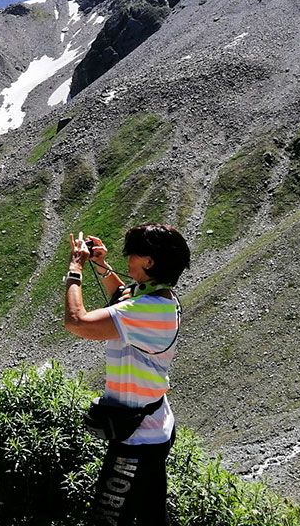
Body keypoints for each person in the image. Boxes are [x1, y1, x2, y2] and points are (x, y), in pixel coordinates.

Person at [64, 224, 191, 526]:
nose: (128, 259)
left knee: (107, 519)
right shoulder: (160, 298)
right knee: (150, 516)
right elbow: (122, 295)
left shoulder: (147, 310)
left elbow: (77, 322)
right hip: (153, 426)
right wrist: (101, 264)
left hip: (137, 439)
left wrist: (75, 269)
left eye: (132, 254)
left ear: (149, 261)